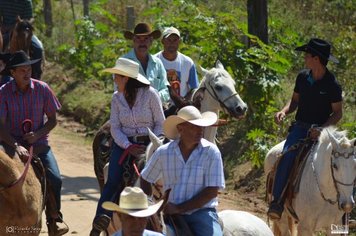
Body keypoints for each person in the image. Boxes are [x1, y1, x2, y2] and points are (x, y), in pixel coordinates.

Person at [267, 38, 343, 220]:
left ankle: (347, 208)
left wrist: (322, 129)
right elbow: (294, 101)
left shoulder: (332, 85)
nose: (305, 59)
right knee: (286, 156)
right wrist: (284, 111)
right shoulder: (302, 77)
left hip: (323, 133)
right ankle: (277, 202)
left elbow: (337, 113)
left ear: (316, 58)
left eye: (307, 55)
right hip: (300, 129)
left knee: (344, 160)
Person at [90, 58, 165, 236]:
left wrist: (154, 142)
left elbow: (160, 123)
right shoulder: (116, 98)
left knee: (164, 179)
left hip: (150, 142)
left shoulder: (150, 94)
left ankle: (169, 217)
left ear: (126, 78)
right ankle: (100, 221)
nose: (115, 79)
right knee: (113, 177)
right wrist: (128, 145)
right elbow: (115, 127)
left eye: (117, 76)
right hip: (124, 144)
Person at [0, 50, 68, 235]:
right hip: (9, 145)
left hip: (38, 144)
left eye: (28, 68)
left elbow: (53, 120)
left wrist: (37, 134)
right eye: (22, 70)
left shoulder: (43, 89)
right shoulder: (3, 93)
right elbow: (1, 127)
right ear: (12, 73)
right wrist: (16, 145)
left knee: (54, 177)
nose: (27, 73)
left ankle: (54, 219)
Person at [140, 105, 225, 236]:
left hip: (202, 213)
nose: (200, 131)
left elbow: (211, 191)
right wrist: (151, 204)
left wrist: (179, 208)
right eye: (194, 126)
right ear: (180, 128)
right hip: (170, 214)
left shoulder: (211, 152)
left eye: (201, 126)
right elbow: (145, 178)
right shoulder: (164, 152)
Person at [121, 22, 170, 107]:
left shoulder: (157, 63)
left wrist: (154, 97)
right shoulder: (124, 62)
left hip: (156, 110)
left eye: (146, 38)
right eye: (139, 38)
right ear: (134, 40)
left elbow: (166, 89)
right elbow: (120, 91)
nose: (142, 42)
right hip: (131, 112)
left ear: (151, 41)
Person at [155, 26, 199, 116]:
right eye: (168, 40)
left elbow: (194, 88)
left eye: (175, 40)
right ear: (162, 41)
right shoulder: (154, 61)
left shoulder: (188, 63)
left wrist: (183, 102)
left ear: (179, 42)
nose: (172, 43)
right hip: (158, 108)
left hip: (181, 110)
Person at [0, 0, 43, 79]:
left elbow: (28, 20)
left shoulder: (26, 1)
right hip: (6, 30)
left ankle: (36, 74)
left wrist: (19, 25)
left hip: (22, 30)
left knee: (38, 48)